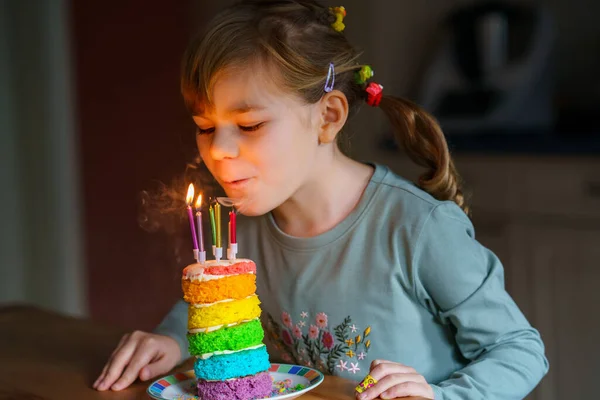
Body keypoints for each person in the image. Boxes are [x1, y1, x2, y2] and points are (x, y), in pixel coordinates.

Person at [94, 1, 549, 399]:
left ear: (328, 117)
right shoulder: (244, 227)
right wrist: (173, 339)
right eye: (205, 126)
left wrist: (441, 396)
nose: (218, 150)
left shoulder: (418, 228)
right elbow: (218, 301)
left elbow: (518, 350)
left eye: (249, 125)